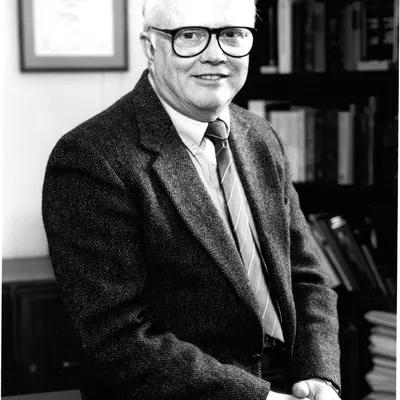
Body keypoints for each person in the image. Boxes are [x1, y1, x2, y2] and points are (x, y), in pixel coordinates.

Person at [42, 0, 341, 399]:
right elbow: (116, 337)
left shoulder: (260, 136)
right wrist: (260, 398)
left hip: (291, 382)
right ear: (151, 47)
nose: (216, 55)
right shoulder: (90, 158)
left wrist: (320, 375)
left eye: (233, 34)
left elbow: (306, 276)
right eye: (190, 36)